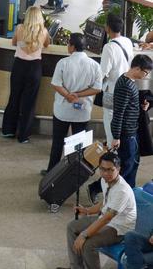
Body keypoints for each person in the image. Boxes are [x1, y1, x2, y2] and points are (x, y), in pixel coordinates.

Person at [87, 14, 134, 202]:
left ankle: (103, 184)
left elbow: (103, 73)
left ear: (107, 28)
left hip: (111, 93)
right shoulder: (128, 42)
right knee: (120, 132)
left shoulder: (108, 47)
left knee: (111, 133)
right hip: (127, 89)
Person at [63, 152, 136, 269]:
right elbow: (105, 202)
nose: (106, 173)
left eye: (110, 170)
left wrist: (84, 235)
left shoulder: (122, 191)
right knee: (72, 227)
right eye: (102, 169)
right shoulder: (104, 180)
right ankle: (76, 267)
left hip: (120, 228)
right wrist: (87, 210)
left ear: (118, 169)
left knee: (88, 244)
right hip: (106, 218)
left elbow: (107, 218)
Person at [43, 33, 102, 174]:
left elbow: (56, 84)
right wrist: (78, 95)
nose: (67, 46)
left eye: (68, 44)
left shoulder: (63, 63)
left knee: (57, 143)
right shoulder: (94, 65)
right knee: (79, 144)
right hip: (82, 111)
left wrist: (69, 96)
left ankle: (52, 171)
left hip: (62, 110)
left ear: (73, 46)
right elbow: (97, 88)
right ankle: (74, 173)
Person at [1, 6, 50, 143]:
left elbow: (14, 42)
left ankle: (8, 130)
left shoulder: (20, 28)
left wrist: (25, 43)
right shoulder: (44, 31)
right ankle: (23, 136)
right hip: (34, 68)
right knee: (29, 103)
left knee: (14, 98)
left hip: (19, 66)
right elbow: (46, 45)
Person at [110, 54, 153, 187]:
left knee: (132, 165)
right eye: (145, 72)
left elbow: (127, 106)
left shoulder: (128, 80)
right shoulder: (126, 85)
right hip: (127, 134)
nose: (146, 76)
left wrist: (140, 106)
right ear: (137, 68)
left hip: (132, 132)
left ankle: (129, 193)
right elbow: (118, 113)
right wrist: (116, 136)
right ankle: (119, 194)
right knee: (127, 168)